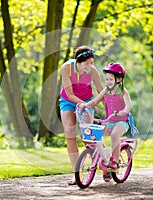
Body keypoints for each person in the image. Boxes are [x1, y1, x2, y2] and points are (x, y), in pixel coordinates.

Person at [80, 62, 132, 182]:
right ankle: (104, 156)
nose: (108, 82)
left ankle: (115, 161)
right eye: (106, 79)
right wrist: (85, 106)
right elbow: (95, 101)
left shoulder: (123, 91)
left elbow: (129, 104)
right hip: (109, 121)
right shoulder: (105, 90)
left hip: (121, 121)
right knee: (96, 135)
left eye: (110, 79)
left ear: (119, 79)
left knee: (114, 135)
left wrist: (124, 111)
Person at [59, 45, 104, 185]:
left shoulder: (93, 71)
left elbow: (102, 92)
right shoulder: (66, 68)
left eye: (92, 63)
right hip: (68, 101)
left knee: (87, 135)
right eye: (86, 64)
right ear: (77, 62)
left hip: (87, 100)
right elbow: (70, 94)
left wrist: (110, 109)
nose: (90, 66)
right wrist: (85, 105)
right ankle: (76, 174)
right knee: (69, 134)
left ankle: (104, 163)